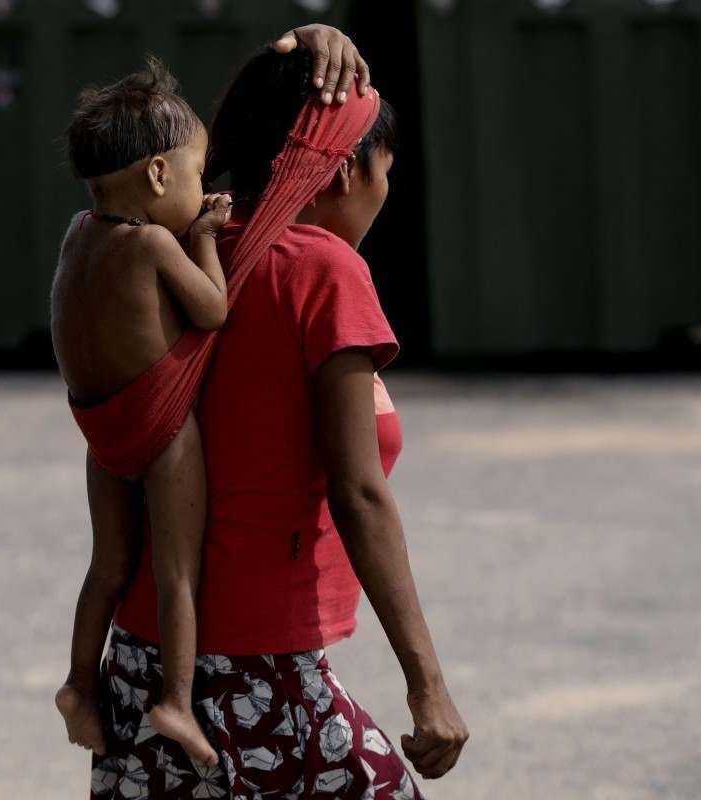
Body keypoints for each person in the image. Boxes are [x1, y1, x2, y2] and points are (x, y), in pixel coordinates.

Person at [88, 32, 468, 800]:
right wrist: (428, 686)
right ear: (342, 170)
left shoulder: (165, 249)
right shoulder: (323, 271)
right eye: (384, 172)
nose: (383, 195)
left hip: (143, 661)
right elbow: (358, 493)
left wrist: (316, 42)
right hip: (257, 672)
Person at [50, 57, 233, 768]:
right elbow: (212, 311)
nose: (204, 189)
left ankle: (77, 685)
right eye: (198, 175)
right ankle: (176, 704)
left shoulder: (78, 233)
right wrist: (209, 236)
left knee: (108, 565)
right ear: (159, 176)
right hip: (158, 429)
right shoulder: (156, 241)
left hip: (101, 431)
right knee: (176, 571)